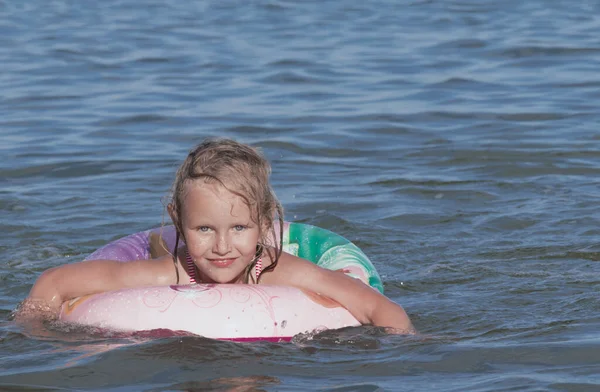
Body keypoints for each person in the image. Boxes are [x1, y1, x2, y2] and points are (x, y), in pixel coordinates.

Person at [17, 138, 415, 334]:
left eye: (239, 228)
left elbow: (374, 305)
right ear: (178, 220)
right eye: (204, 228)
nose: (223, 247)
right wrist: (36, 331)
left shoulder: (277, 269)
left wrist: (406, 346)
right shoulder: (170, 272)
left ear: (263, 222)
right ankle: (161, 237)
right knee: (160, 255)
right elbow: (56, 282)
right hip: (170, 265)